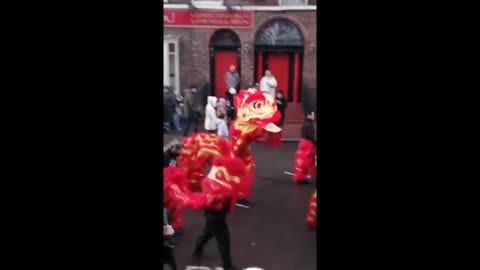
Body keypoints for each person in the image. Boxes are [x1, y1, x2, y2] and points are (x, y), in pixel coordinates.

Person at [293, 111, 316, 184]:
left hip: (303, 142)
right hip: (307, 144)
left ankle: (300, 177)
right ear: (309, 115)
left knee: (301, 160)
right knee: (306, 160)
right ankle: (301, 178)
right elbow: (311, 136)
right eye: (312, 115)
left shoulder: (305, 123)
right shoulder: (309, 124)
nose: (314, 116)